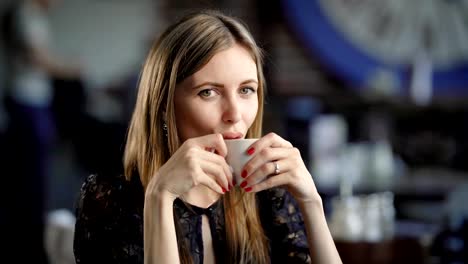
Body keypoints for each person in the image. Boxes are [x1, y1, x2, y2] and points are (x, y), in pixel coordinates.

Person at [73, 10, 342, 264]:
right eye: (208, 92)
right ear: (165, 106)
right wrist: (159, 197)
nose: (235, 114)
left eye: (246, 90)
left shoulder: (269, 196)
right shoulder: (108, 202)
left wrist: (311, 201)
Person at [1, 0, 81, 262]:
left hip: (34, 102)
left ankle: (31, 234)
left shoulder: (34, 16)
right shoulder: (27, 14)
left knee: (33, 173)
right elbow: (37, 57)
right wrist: (68, 67)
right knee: (31, 177)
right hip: (27, 102)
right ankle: (30, 241)